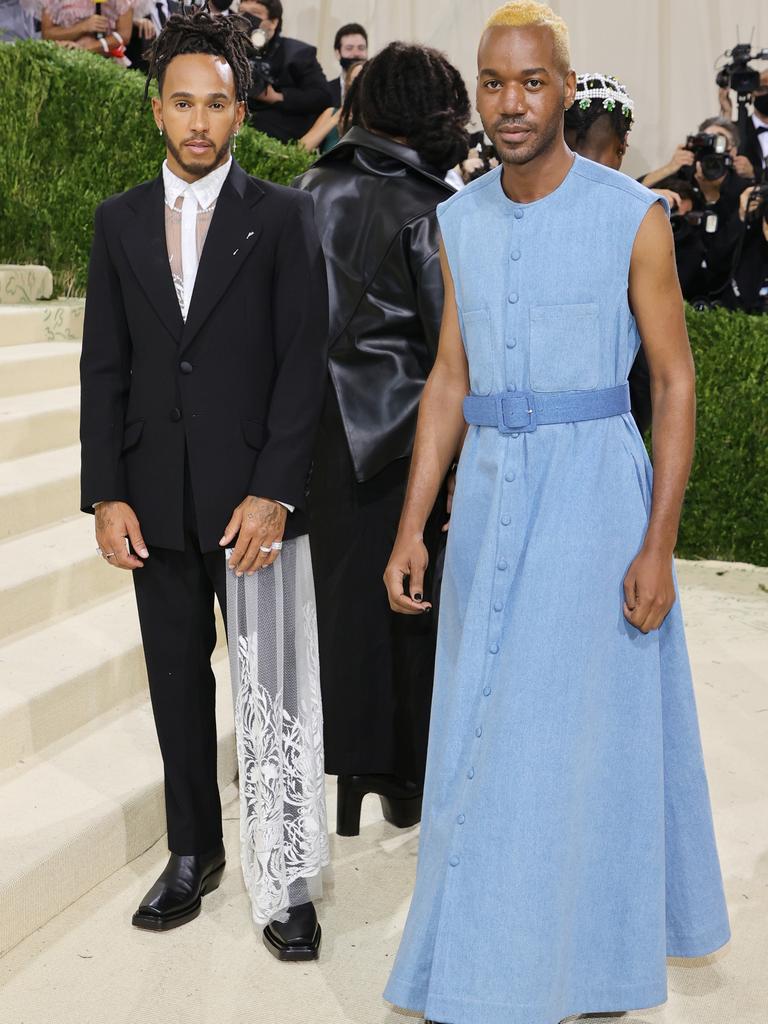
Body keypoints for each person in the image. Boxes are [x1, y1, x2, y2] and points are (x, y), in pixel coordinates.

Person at [383, 3, 730, 1022]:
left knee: (582, 741)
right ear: (477, 95)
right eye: (494, 82)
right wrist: (413, 522)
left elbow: (672, 383)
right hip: (490, 494)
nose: (512, 102)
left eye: (532, 82)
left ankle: (594, 970)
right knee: (486, 738)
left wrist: (658, 543)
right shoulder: (457, 220)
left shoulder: (631, 214)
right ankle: (481, 964)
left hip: (594, 499)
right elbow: (447, 377)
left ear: (566, 90)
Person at [79, 8, 329, 961]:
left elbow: (305, 364)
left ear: (239, 113)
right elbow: (105, 367)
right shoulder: (118, 222)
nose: (198, 120)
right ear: (155, 111)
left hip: (253, 506)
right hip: (153, 502)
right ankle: (195, 854)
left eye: (215, 104)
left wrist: (275, 492)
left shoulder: (284, 214)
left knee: (273, 692)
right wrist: (107, 492)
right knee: (176, 689)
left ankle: (288, 875)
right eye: (181, 102)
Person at [294, 43, 471, 838]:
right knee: (412, 615)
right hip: (407, 443)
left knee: (333, 610)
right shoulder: (438, 212)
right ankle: (404, 782)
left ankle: (343, 775)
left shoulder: (300, 190)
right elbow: (453, 355)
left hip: (309, 440)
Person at [564, 72, 656, 435]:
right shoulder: (633, 214)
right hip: (617, 403)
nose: (612, 162)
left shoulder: (637, 213)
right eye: (618, 150)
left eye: (616, 152)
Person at [641, 117, 753, 305]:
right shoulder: (681, 179)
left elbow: (720, 257)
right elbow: (630, 197)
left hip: (724, 298)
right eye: (706, 139)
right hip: (676, 291)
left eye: (719, 140)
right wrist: (670, 167)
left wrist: (712, 197)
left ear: (732, 150)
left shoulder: (742, 191)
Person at [241, 0, 332, 143]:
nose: (246, 18)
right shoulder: (232, 50)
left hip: (279, 140)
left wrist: (277, 97)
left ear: (273, 22)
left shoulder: (298, 54)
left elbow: (323, 96)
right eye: (241, 12)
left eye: (254, 13)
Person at [299, 57, 364, 154]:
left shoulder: (379, 120)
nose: (359, 86)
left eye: (364, 80)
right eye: (355, 81)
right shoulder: (332, 113)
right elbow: (300, 149)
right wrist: (335, 119)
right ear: (347, 87)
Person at [41, 0, 132, 59]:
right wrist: (82, 27)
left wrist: (85, 49)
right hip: (62, 59)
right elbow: (47, 34)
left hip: (105, 63)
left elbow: (124, 35)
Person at [720, 69, 768, 180]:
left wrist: (754, 172)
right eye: (762, 89)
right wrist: (727, 113)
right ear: (751, 93)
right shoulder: (738, 129)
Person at [327, 21, 368, 107]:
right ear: (338, 54)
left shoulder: (378, 90)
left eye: (361, 48)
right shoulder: (325, 91)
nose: (356, 53)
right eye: (349, 48)